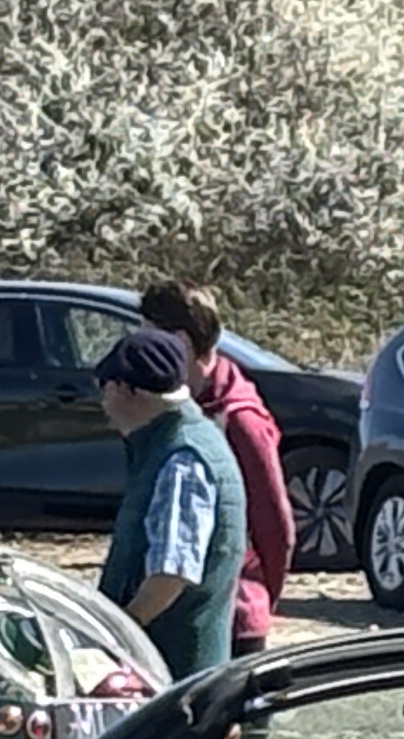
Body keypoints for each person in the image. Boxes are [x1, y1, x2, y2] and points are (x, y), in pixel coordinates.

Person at [137, 279, 293, 651]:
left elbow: (276, 527)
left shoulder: (240, 420)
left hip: (233, 620)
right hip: (179, 612)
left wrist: (258, 599)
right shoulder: (174, 408)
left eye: (150, 337)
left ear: (182, 342)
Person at [91, 326, 245, 678]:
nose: (103, 403)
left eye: (105, 388)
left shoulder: (182, 459)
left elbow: (171, 574)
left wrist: (119, 636)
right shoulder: (186, 439)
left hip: (176, 674)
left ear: (126, 390)